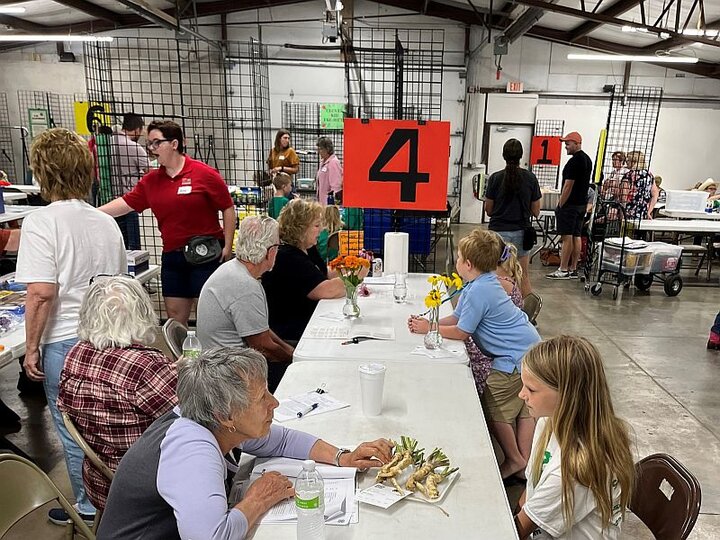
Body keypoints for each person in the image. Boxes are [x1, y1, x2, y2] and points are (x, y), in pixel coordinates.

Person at [97, 347, 393, 540]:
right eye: (262, 398)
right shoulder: (191, 448)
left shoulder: (206, 416)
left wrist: (343, 456)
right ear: (226, 415)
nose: (274, 403)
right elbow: (212, 537)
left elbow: (281, 439)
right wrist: (257, 500)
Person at [15, 128, 127, 525]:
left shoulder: (41, 222)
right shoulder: (104, 222)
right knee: (104, 423)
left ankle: (88, 507)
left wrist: (31, 348)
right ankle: (114, 498)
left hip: (65, 339)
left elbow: (41, 292)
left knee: (73, 430)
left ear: (42, 173)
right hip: (108, 336)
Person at [408, 228, 540, 480]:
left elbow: (462, 331)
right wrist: (430, 320)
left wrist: (429, 328)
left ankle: (514, 459)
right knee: (524, 410)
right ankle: (525, 465)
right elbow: (458, 317)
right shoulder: (481, 283)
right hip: (527, 351)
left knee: (493, 406)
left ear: (467, 264)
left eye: (457, 258)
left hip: (512, 358)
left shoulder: (480, 290)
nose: (455, 261)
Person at [99, 120, 236, 327]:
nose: (152, 149)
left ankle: (209, 358)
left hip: (205, 253)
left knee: (208, 314)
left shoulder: (204, 173)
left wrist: (227, 244)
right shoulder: (151, 181)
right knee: (174, 315)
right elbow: (127, 203)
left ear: (174, 144)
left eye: (156, 143)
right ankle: (180, 357)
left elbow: (227, 207)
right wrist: (92, 213)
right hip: (172, 255)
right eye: (149, 144)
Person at [58, 276, 177, 510]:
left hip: (100, 481)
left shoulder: (75, 354)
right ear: (141, 314)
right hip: (148, 486)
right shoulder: (145, 365)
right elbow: (200, 416)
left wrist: (170, 372)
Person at [515, 336, 635, 539]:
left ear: (567, 395)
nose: (521, 394)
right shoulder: (548, 421)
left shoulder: (573, 470)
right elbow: (532, 486)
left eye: (531, 389)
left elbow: (518, 530)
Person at [197, 216, 294, 392]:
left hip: (219, 364)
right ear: (270, 252)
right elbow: (263, 346)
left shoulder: (233, 269)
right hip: (229, 375)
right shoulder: (245, 285)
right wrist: (293, 358)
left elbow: (259, 329)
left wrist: (289, 349)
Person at [262, 199, 357, 343]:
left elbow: (322, 273)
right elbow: (326, 290)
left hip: (313, 321)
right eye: (316, 225)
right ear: (301, 229)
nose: (321, 229)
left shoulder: (307, 248)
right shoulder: (287, 257)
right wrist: (356, 276)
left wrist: (352, 266)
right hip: (294, 333)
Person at [465, 236, 525, 398]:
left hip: (500, 360)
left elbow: (464, 329)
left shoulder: (489, 286)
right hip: (520, 356)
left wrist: (431, 327)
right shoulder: (505, 281)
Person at [484, 138, 541, 297]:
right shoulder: (530, 178)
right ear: (521, 156)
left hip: (497, 234)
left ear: (503, 155)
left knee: (494, 275)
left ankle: (494, 311)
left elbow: (489, 209)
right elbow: (536, 211)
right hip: (521, 233)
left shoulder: (495, 178)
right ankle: (526, 315)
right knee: (521, 276)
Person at [546, 131, 593, 280]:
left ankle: (563, 268)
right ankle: (573, 268)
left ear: (577, 143)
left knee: (566, 237)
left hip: (570, 204)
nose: (565, 146)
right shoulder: (587, 160)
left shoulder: (574, 162)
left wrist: (560, 204)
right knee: (576, 236)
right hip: (581, 205)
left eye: (568, 143)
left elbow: (568, 186)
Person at [109, 113, 149, 250]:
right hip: (128, 199)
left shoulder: (105, 144)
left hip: (108, 198)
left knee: (116, 241)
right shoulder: (133, 147)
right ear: (137, 129)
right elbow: (149, 171)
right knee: (133, 245)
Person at [624, 150, 658, 224]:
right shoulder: (649, 175)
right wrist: (649, 211)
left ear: (634, 162)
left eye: (628, 160)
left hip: (629, 211)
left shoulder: (628, 175)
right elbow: (655, 195)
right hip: (643, 212)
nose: (626, 162)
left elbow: (624, 195)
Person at [316, 136, 343, 205]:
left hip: (329, 204)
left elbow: (336, 185)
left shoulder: (333, 162)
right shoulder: (323, 162)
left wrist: (335, 202)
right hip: (321, 202)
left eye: (321, 149)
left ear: (327, 149)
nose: (319, 152)